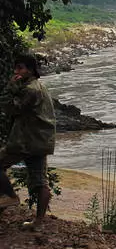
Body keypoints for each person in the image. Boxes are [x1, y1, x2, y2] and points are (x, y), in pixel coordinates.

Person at [0, 54, 56, 230]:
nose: (16, 72)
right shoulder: (36, 86)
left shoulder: (30, 90)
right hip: (39, 141)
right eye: (15, 68)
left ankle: (9, 196)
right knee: (40, 181)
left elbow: (10, 108)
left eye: (20, 68)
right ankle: (38, 223)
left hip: (26, 140)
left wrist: (9, 87)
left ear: (30, 70)